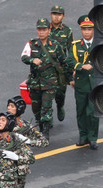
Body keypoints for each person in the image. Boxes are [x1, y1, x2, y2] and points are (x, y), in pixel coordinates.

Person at [21, 18, 68, 135]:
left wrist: (69, 78)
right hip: (35, 82)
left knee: (46, 108)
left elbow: (64, 61)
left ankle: (45, 133)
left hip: (50, 83)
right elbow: (24, 57)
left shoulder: (56, 46)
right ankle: (40, 124)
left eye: (44, 29)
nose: (41, 32)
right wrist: (32, 60)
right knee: (36, 108)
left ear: (48, 31)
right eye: (39, 29)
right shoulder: (31, 44)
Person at [69, 15, 99, 149]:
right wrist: (80, 66)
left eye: (89, 29)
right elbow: (69, 60)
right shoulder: (75, 46)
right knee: (80, 111)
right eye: (84, 29)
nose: (86, 32)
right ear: (81, 30)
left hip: (95, 84)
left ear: (94, 30)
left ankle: (93, 138)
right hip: (81, 84)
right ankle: (83, 137)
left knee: (92, 112)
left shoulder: (99, 44)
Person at [49, 5, 74, 122]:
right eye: (54, 14)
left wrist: (72, 67)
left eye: (59, 14)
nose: (56, 17)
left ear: (63, 16)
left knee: (60, 93)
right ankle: (47, 118)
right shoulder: (45, 29)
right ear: (51, 15)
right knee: (46, 94)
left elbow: (71, 50)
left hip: (61, 67)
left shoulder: (67, 31)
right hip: (47, 67)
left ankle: (60, 106)